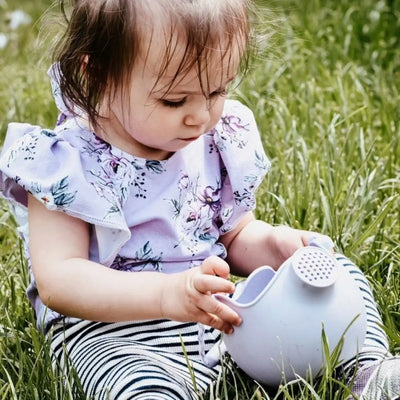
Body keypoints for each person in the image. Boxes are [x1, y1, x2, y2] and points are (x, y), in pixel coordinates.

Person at [0, 0, 398, 399]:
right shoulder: (67, 162)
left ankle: (367, 371)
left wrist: (274, 245)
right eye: (174, 100)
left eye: (217, 90)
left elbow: (234, 234)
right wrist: (166, 296)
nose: (201, 116)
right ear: (99, 74)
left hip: (218, 319)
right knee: (139, 389)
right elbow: (60, 281)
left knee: (336, 274)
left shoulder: (213, 141)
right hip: (114, 337)